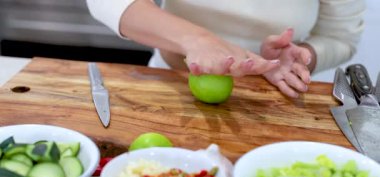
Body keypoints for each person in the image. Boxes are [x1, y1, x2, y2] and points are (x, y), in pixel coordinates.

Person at [86, 0, 365, 98]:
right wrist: (197, 40)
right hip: (171, 87)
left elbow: (340, 35)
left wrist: (301, 57)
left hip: (274, 102)